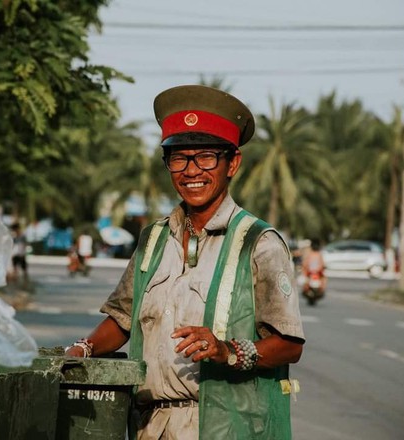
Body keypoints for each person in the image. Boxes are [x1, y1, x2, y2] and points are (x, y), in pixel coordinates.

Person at [65, 85, 305, 439]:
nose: (192, 170)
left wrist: (226, 350)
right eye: (179, 158)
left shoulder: (259, 243)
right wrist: (81, 350)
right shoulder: (154, 239)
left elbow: (289, 345)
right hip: (150, 426)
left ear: (232, 164)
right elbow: (122, 319)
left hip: (223, 428)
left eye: (206, 157)